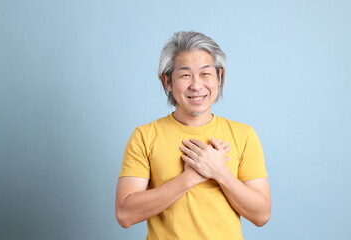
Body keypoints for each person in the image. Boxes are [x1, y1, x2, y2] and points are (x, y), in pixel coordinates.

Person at [115, 31, 271, 240]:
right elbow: (125, 214)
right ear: (168, 81)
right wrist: (190, 177)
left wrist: (219, 173)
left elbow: (261, 215)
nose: (196, 85)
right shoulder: (145, 136)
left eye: (205, 73)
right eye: (185, 75)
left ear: (219, 76)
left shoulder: (244, 135)